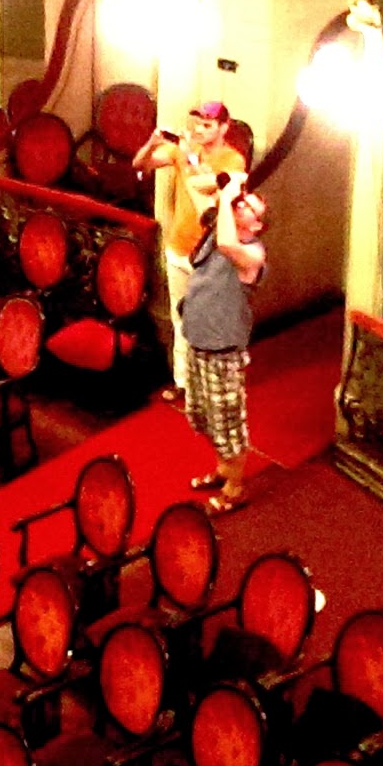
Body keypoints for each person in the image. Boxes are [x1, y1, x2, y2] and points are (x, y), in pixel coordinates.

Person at [132, 100, 248, 405]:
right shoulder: (183, 150)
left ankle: (209, 387)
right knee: (179, 318)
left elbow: (209, 190)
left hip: (210, 254)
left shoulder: (232, 160)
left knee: (206, 322)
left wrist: (190, 157)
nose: (199, 130)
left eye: (207, 125)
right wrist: (153, 141)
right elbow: (140, 165)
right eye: (197, 124)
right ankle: (182, 383)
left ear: (224, 127)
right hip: (178, 246)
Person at [180, 174, 266, 512]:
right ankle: (222, 470)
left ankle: (235, 488)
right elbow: (198, 193)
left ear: (256, 226)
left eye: (248, 207)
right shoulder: (219, 230)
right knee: (204, 415)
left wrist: (229, 195)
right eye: (240, 202)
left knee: (228, 424)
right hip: (197, 341)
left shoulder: (252, 254)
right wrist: (222, 190)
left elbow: (229, 245)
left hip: (222, 352)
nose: (240, 205)